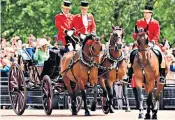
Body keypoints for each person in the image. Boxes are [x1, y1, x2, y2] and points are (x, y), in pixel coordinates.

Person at [126, 5, 166, 84]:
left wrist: (153, 41)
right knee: (131, 54)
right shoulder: (139, 21)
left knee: (161, 55)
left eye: (147, 13)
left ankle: (161, 75)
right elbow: (135, 33)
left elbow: (157, 34)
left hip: (152, 43)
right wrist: (136, 38)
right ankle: (129, 75)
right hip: (141, 44)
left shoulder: (155, 22)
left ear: (151, 13)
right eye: (144, 13)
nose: (145, 14)